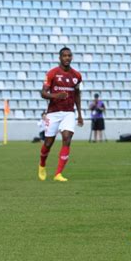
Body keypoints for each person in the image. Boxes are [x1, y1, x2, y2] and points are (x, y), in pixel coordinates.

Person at [38, 47, 83, 182]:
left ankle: (58, 174)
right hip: (53, 113)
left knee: (67, 138)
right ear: (60, 58)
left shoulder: (76, 76)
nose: (67, 58)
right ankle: (42, 164)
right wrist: (56, 95)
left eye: (69, 56)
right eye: (64, 56)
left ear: (72, 57)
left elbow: (77, 94)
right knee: (48, 143)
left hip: (69, 112)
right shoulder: (52, 73)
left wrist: (80, 114)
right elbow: (43, 93)